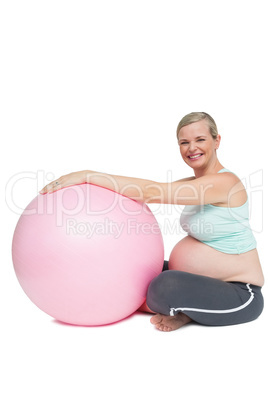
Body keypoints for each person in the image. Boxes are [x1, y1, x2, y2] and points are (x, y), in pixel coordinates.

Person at [40, 112, 264, 332]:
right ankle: (182, 309)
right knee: (135, 273)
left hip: (240, 293)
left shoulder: (225, 182)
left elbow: (151, 192)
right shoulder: (198, 182)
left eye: (200, 139)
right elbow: (147, 190)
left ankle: (181, 310)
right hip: (203, 282)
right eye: (184, 142)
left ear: (217, 141)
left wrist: (87, 175)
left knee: (164, 285)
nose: (191, 148)